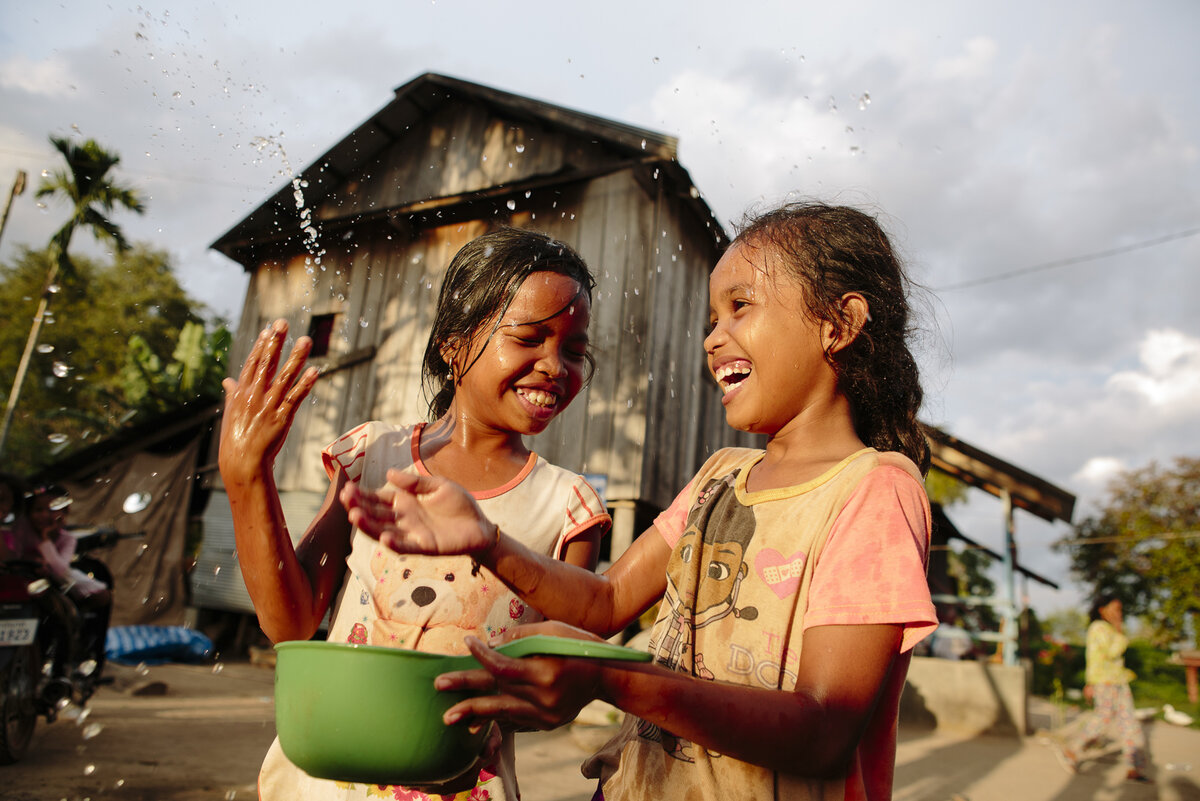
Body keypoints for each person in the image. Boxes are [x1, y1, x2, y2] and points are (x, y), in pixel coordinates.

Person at [345, 202, 939, 801]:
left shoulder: (873, 490)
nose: (713, 337)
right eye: (711, 317)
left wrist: (613, 680)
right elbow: (607, 603)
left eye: (740, 306)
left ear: (840, 323)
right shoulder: (719, 476)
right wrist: (489, 542)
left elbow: (824, 730)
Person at [218, 228, 612, 801]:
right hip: (327, 779)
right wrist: (246, 478)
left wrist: (494, 708)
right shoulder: (372, 458)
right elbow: (292, 622)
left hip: (462, 785)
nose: (555, 365)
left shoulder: (569, 507)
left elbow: (558, 691)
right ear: (454, 344)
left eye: (574, 350)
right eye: (529, 338)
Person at [1052, 595, 1151, 783]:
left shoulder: (1109, 629)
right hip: (1104, 682)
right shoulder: (1098, 628)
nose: (1118, 614)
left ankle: (1134, 767)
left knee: (1129, 723)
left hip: (1119, 681)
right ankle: (1072, 751)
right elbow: (1106, 654)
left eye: (1120, 610)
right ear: (1102, 609)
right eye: (1114, 609)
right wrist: (1090, 683)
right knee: (1103, 719)